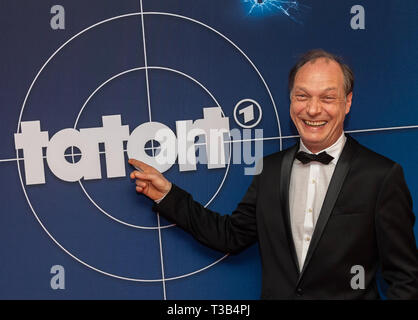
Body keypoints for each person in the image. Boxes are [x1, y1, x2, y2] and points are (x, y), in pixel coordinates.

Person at [128, 49, 418, 299]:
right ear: (291, 100)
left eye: (328, 98)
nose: (313, 109)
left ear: (348, 102)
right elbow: (230, 236)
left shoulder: (381, 175)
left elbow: (405, 278)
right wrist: (167, 195)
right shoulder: (270, 170)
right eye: (302, 96)